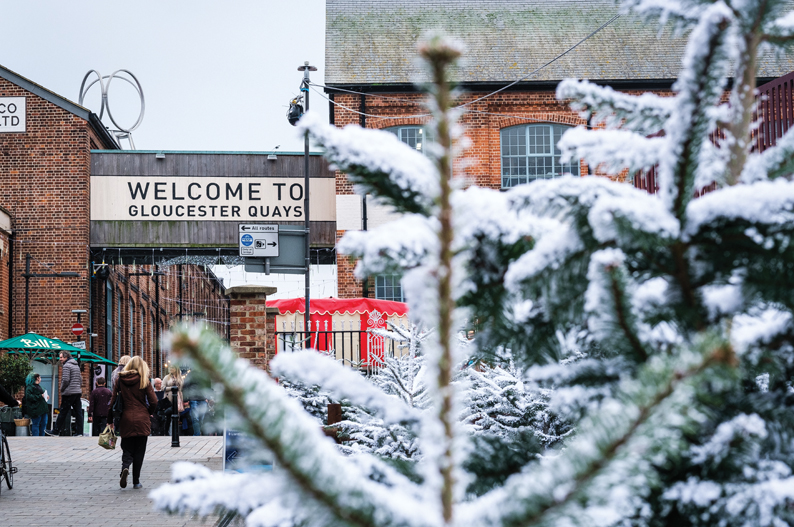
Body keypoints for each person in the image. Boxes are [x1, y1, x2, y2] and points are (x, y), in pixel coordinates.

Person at [109, 356, 157, 490]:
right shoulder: (144, 380)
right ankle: (136, 481)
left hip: (126, 418)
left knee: (127, 447)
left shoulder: (120, 380)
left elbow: (112, 402)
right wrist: (148, 412)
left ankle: (125, 468)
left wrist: (109, 420)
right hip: (142, 419)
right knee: (140, 450)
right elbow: (154, 401)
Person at [47, 351, 83, 436]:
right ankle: (79, 432)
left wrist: (61, 389)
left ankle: (56, 431)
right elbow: (80, 379)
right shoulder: (76, 366)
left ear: (66, 357)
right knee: (78, 413)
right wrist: (77, 387)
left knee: (63, 412)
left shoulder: (67, 366)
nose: (60, 359)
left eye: (61, 357)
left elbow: (65, 380)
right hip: (77, 392)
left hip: (69, 393)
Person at [162, 365, 183, 435]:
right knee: (168, 417)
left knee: (176, 417)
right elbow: (163, 388)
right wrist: (172, 388)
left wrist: (182, 401)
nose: (170, 369)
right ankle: (166, 433)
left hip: (178, 399)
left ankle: (175, 433)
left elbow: (180, 389)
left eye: (172, 367)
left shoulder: (179, 377)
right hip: (168, 399)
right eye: (170, 367)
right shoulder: (166, 377)